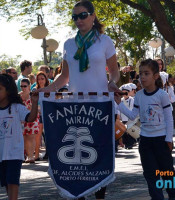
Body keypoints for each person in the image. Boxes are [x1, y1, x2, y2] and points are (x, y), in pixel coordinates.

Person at [35, 1, 120, 199]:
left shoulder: (105, 41)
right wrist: (43, 90)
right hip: (74, 105)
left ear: (93, 16)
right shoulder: (68, 44)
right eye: (75, 17)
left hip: (100, 104)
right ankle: (78, 194)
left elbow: (115, 72)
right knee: (76, 155)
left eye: (83, 15)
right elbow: (64, 77)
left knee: (99, 151)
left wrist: (112, 83)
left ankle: (100, 194)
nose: (79, 20)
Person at [115, 59, 175, 200]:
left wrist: (169, 139)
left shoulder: (162, 95)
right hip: (145, 141)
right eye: (140, 74)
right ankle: (157, 197)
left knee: (167, 171)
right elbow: (133, 115)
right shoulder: (138, 95)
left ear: (155, 76)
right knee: (150, 174)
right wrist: (119, 103)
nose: (142, 77)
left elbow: (169, 119)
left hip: (162, 140)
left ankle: (173, 195)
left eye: (146, 73)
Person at [0, 74, 38, 200]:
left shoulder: (17, 108)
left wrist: (34, 102)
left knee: (13, 182)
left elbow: (31, 118)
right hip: (1, 154)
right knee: (6, 182)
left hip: (14, 153)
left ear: (8, 90)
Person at [19, 78, 40, 163]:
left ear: (29, 86)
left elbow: (38, 108)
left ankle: (31, 156)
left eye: (25, 86)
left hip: (32, 119)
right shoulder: (18, 96)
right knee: (24, 138)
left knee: (31, 137)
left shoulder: (32, 96)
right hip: (22, 120)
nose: (23, 88)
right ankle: (27, 155)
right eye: (21, 86)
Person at [32, 71, 50, 161]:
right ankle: (36, 155)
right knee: (38, 135)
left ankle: (48, 152)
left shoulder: (49, 89)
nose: (40, 81)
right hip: (38, 114)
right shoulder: (34, 89)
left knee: (48, 134)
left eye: (42, 78)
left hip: (47, 113)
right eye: (38, 79)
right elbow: (32, 102)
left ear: (46, 79)